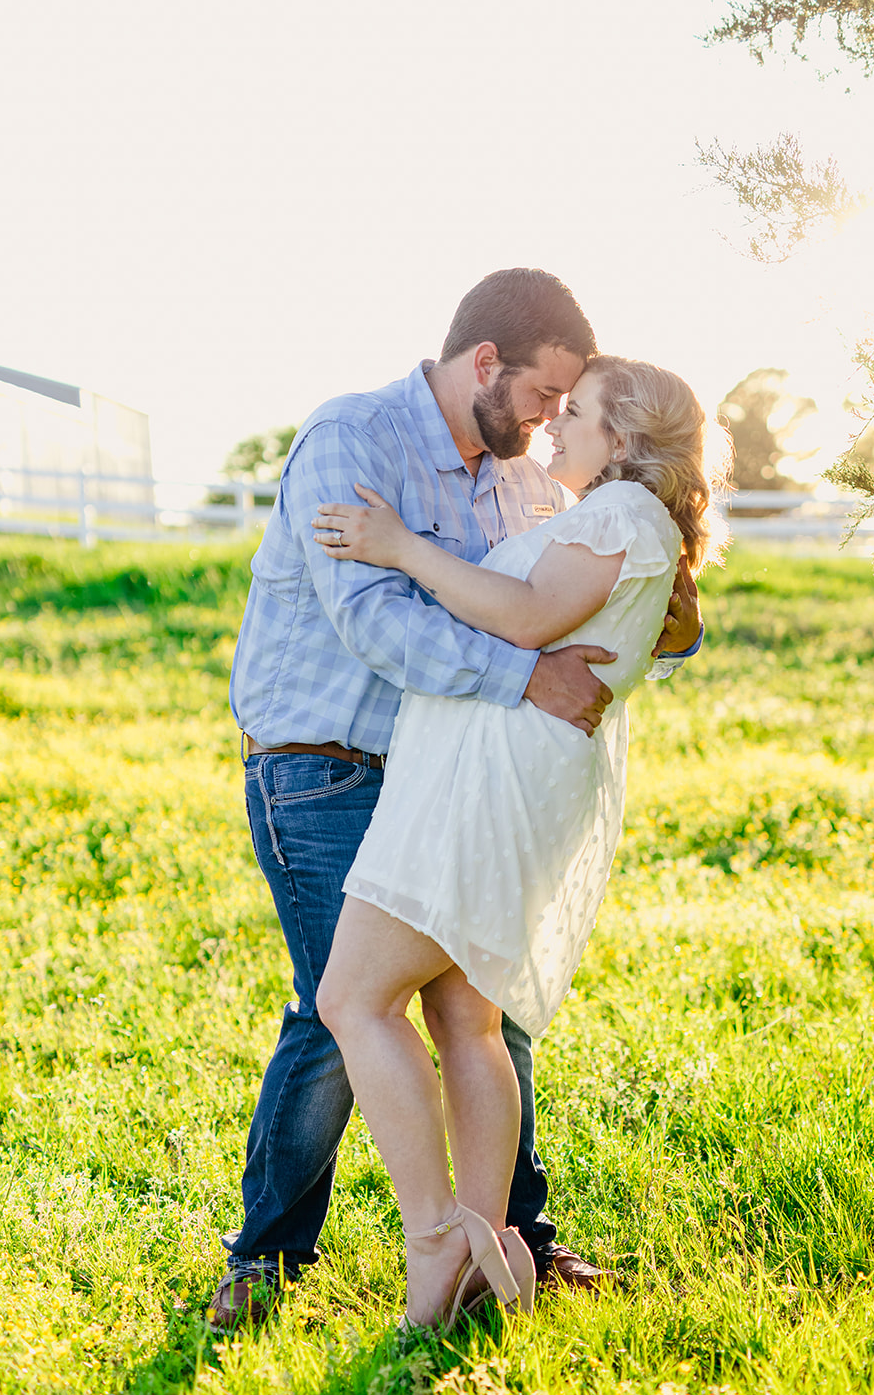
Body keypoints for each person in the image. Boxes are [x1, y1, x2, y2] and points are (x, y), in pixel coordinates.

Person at [211, 271, 704, 1330]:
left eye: (568, 407)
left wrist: (632, 624)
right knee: (335, 1007)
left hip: (456, 779)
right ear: (488, 364)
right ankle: (268, 1254)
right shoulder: (354, 439)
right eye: (543, 396)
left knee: (469, 1011)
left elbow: (610, 592)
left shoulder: (531, 480)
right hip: (326, 760)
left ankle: (495, 1240)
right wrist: (528, 670)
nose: (545, 420)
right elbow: (376, 625)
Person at [313, 355, 727, 1328]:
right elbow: (628, 627)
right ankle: (487, 1244)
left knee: (352, 997)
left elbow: (530, 615)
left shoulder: (623, 515)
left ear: (622, 441)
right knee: (467, 1019)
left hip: (484, 792)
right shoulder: (616, 521)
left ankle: (440, 1237)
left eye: (575, 414)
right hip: (502, 783)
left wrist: (397, 546)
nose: (555, 428)